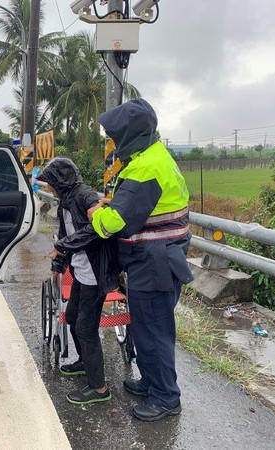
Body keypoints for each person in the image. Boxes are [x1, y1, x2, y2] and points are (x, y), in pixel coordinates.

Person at [87, 98, 194, 421]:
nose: (113, 142)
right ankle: (151, 382)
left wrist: (96, 213)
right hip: (158, 258)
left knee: (154, 330)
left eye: (115, 135)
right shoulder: (153, 157)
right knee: (147, 326)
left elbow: (115, 222)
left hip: (154, 262)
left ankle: (165, 397)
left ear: (131, 134)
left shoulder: (146, 167)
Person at [39, 157, 119, 405]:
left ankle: (99, 388)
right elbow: (66, 233)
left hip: (96, 273)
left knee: (86, 328)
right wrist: (58, 263)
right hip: (81, 271)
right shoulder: (65, 200)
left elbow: (98, 229)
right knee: (72, 318)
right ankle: (85, 362)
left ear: (61, 180)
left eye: (51, 182)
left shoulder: (86, 196)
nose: (49, 187)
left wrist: (62, 245)